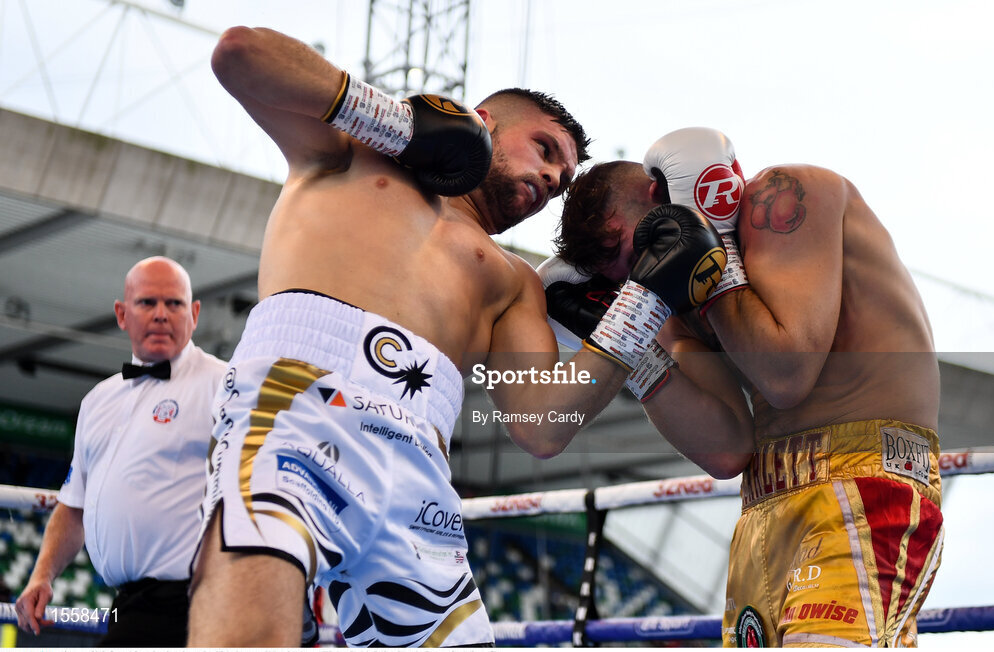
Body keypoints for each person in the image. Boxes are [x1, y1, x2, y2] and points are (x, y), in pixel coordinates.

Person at [188, 26, 723, 648]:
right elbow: (239, 56)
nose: (553, 179)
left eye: (564, 178)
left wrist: (637, 308)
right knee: (253, 585)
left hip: (418, 467)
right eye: (545, 150)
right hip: (298, 404)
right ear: (483, 120)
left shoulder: (514, 282)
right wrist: (395, 123)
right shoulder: (353, 156)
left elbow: (543, 426)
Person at [552, 127, 943, 647]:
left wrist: (712, 255)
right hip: (762, 509)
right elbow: (725, 449)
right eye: (633, 276)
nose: (649, 273)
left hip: (863, 481)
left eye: (641, 247)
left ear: (658, 196)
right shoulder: (670, 289)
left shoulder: (785, 196)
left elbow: (787, 373)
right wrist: (633, 348)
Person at [14, 256, 227, 647]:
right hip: (130, 604)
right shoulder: (98, 400)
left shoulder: (224, 385)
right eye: (148, 302)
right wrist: (42, 575)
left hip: (195, 603)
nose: (161, 314)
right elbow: (73, 504)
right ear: (121, 313)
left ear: (194, 313)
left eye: (174, 303)